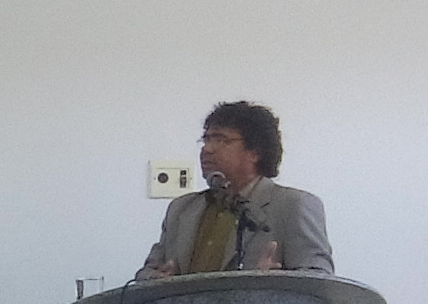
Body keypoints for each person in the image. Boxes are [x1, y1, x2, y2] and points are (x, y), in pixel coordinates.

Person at [138, 100, 334, 279]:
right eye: (206, 140)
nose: (207, 149)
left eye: (221, 140)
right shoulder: (181, 208)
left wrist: (273, 284)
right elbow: (145, 273)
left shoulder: (293, 206)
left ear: (255, 152)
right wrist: (155, 278)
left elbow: (318, 278)